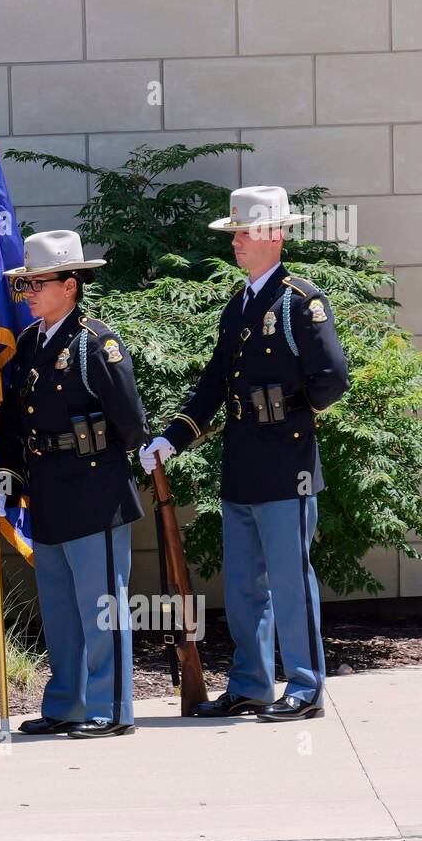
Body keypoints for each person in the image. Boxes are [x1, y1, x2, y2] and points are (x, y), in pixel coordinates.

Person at [139, 186, 350, 721]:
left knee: (289, 579)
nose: (237, 242)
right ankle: (251, 684)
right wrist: (174, 436)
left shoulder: (301, 300)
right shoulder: (239, 304)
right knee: (243, 585)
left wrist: (292, 418)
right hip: (242, 461)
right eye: (233, 233)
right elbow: (214, 383)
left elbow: (332, 378)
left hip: (288, 464)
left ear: (275, 236)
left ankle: (304, 687)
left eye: (247, 232)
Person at [0, 230, 149, 739]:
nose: (29, 292)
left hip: (94, 488)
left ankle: (111, 707)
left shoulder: (95, 342)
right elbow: (16, 419)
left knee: (101, 605)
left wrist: (89, 452)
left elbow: (131, 424)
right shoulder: (33, 342)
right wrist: (10, 475)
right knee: (59, 609)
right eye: (25, 284)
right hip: (49, 488)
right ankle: (67, 704)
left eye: (38, 283)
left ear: (71, 285)